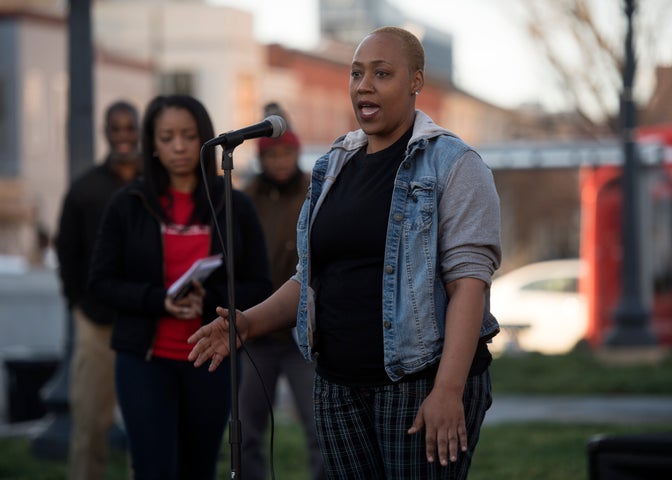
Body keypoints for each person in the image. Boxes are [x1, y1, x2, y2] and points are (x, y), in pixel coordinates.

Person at [188, 26, 502, 479]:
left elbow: (469, 282)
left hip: (418, 382)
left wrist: (449, 389)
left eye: (381, 73)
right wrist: (249, 322)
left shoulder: (454, 164)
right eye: (356, 74)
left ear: (416, 80)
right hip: (337, 385)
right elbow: (310, 276)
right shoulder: (333, 165)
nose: (364, 85)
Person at [88, 94, 272, 479]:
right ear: (152, 144)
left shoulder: (234, 204)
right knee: (153, 468)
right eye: (167, 136)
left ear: (204, 138)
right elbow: (101, 284)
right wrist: (159, 301)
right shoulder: (129, 203)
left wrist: (214, 300)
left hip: (211, 360)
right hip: (144, 361)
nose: (178, 146)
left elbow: (260, 285)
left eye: (188, 136)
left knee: (199, 468)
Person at [55, 100, 141, 480]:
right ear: (106, 132)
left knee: (147, 426)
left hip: (145, 319)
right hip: (97, 321)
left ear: (139, 130)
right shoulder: (85, 188)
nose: (122, 136)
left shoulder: (153, 184)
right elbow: (66, 251)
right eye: (115, 128)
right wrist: (79, 305)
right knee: (90, 423)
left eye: (129, 128)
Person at [239, 107, 325, 480]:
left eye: (286, 153)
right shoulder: (246, 199)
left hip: (302, 333)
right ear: (261, 158)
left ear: (297, 153)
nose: (279, 161)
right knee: (245, 432)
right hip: (256, 331)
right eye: (271, 155)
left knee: (319, 427)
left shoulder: (315, 190)